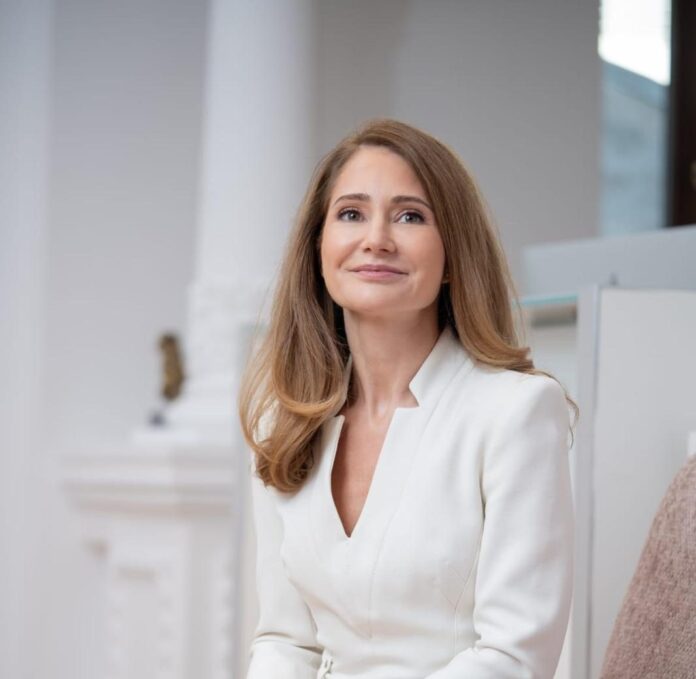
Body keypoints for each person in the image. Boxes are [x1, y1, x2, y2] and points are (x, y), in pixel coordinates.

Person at [238, 118, 577, 679]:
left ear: (452, 256)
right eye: (351, 214)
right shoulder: (286, 420)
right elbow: (285, 641)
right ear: (318, 247)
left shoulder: (516, 411)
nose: (376, 238)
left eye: (410, 216)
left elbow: (512, 658)